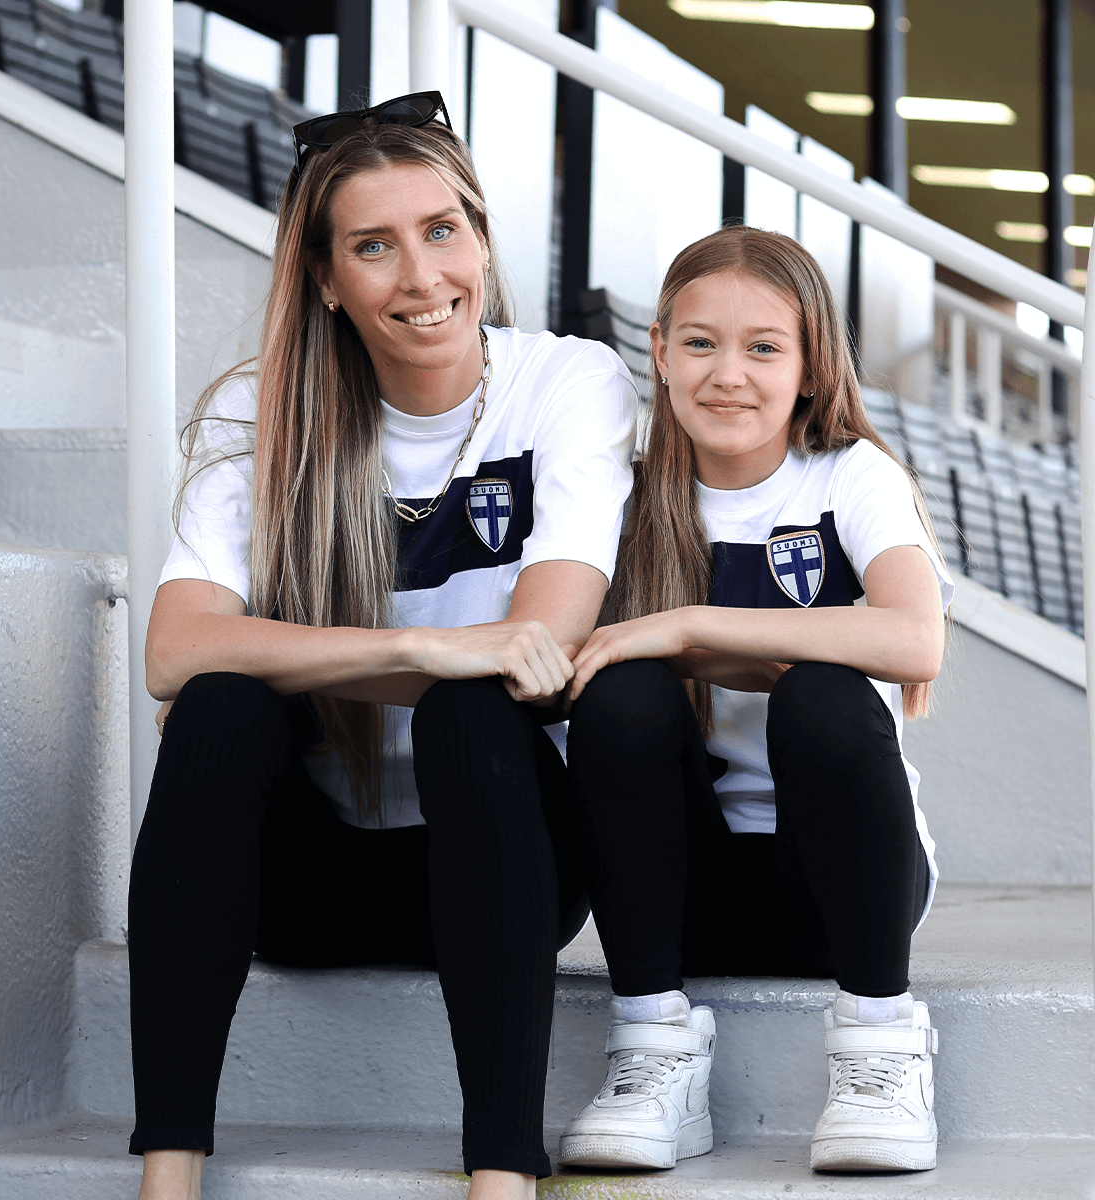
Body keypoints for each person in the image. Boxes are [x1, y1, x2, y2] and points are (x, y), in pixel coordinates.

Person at [128, 92, 637, 1200]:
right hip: (305, 885)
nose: (421, 276)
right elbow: (173, 650)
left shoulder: (568, 381)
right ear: (324, 278)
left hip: (505, 862)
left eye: (442, 230)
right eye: (373, 246)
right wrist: (432, 650)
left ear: (482, 239)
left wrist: (377, 663)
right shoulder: (260, 411)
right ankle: (168, 1175)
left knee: (470, 711)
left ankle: (501, 1173)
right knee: (217, 706)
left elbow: (543, 637)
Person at [557, 225, 951, 1175]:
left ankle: (881, 1044)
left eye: (764, 348)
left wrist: (689, 626)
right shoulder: (619, 495)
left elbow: (914, 637)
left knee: (821, 694)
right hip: (675, 896)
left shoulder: (850, 476)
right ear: (659, 350)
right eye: (700, 343)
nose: (728, 374)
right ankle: (652, 1045)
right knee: (622, 691)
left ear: (811, 366)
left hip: (844, 894)